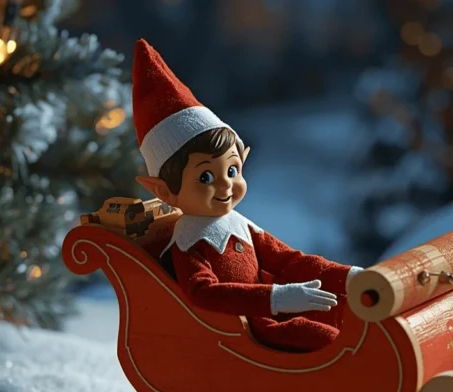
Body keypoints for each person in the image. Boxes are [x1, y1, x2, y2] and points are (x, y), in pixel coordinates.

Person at [130, 39, 361, 352]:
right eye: (205, 177)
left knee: (344, 313)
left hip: (272, 312)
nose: (226, 186)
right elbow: (203, 293)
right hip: (250, 333)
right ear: (164, 191)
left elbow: (290, 260)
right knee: (326, 341)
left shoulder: (240, 226)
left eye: (232, 171)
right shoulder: (189, 242)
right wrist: (275, 299)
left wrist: (347, 277)